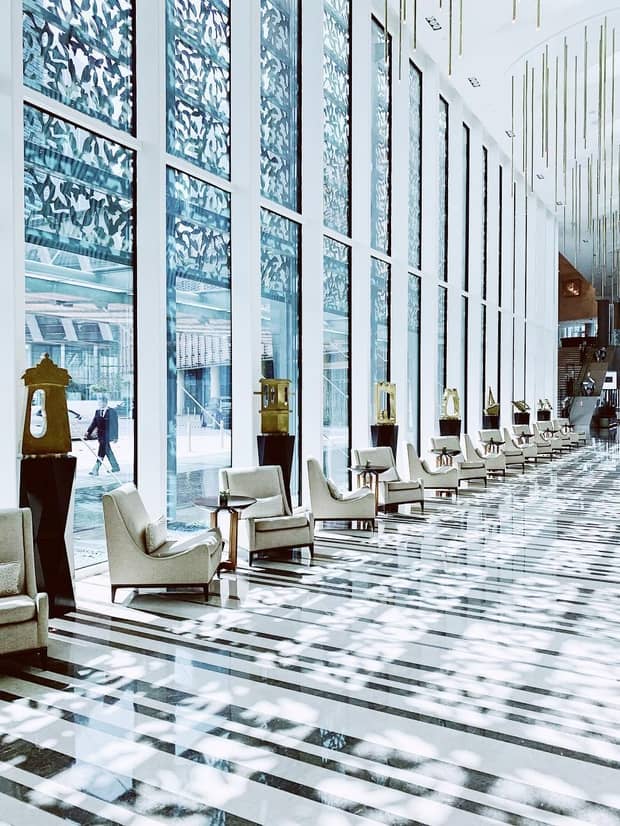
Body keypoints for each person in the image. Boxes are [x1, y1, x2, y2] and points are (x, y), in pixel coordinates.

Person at [85, 396, 120, 475]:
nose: (99, 404)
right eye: (99, 402)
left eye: (101, 402)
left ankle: (95, 469)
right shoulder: (97, 411)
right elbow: (94, 423)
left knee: (102, 450)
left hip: (108, 435)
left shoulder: (112, 411)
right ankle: (115, 467)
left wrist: (116, 437)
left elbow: (115, 424)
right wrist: (88, 431)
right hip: (100, 435)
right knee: (107, 450)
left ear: (105, 402)